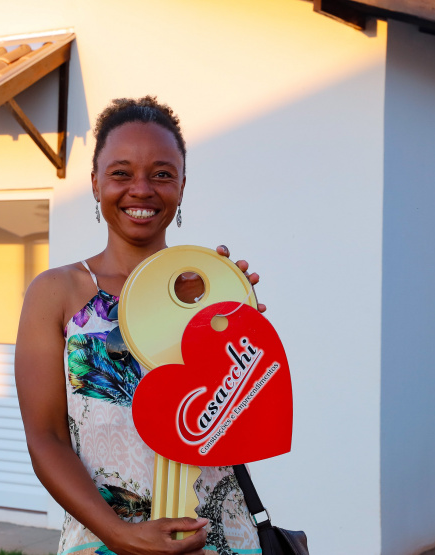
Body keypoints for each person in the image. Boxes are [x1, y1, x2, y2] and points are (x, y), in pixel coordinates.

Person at [14, 97, 266, 555]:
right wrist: (121, 535)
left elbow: (241, 419)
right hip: (102, 539)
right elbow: (45, 438)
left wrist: (238, 328)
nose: (142, 189)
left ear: (183, 185)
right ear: (95, 183)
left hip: (220, 540)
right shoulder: (57, 293)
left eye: (162, 174)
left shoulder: (211, 290)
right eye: (122, 172)